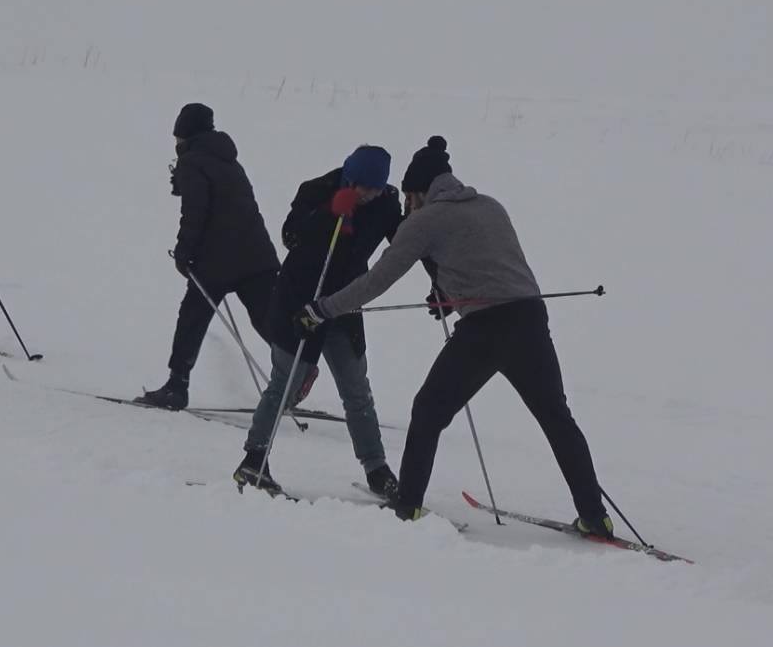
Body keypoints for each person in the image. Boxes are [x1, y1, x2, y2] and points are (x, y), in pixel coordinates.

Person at [296, 136, 614, 538]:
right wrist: (448, 293)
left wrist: (322, 309)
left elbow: (376, 281)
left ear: (418, 192)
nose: (407, 206)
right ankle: (595, 516)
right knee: (556, 418)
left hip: (485, 329)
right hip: (531, 318)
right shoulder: (491, 206)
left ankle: (408, 506)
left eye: (409, 198)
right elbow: (487, 262)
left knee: (428, 411)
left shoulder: (424, 220)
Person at [233, 145, 403, 499]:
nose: (369, 195)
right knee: (284, 384)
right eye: (365, 187)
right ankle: (254, 459)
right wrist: (330, 213)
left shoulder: (385, 203)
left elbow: (404, 244)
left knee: (356, 389)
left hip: (344, 305)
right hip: (300, 302)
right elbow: (291, 237)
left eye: (376, 189)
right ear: (351, 177)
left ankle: (376, 468)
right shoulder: (316, 190)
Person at [137, 104, 281, 411]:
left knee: (192, 318)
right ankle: (292, 376)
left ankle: (177, 386)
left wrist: (184, 253)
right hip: (258, 256)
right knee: (267, 320)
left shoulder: (192, 162)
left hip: (218, 260)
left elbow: (195, 212)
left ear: (186, 133)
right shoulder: (229, 160)